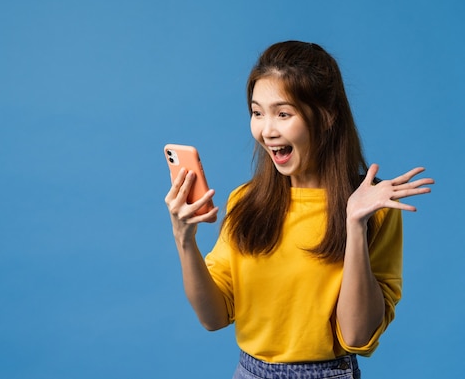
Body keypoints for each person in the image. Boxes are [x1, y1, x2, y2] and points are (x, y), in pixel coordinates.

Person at [164, 41, 434, 379]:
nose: (267, 130)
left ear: (327, 115)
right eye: (257, 112)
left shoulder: (374, 208)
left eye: (283, 113)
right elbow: (213, 317)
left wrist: (354, 225)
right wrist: (184, 240)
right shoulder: (245, 202)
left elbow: (357, 336)